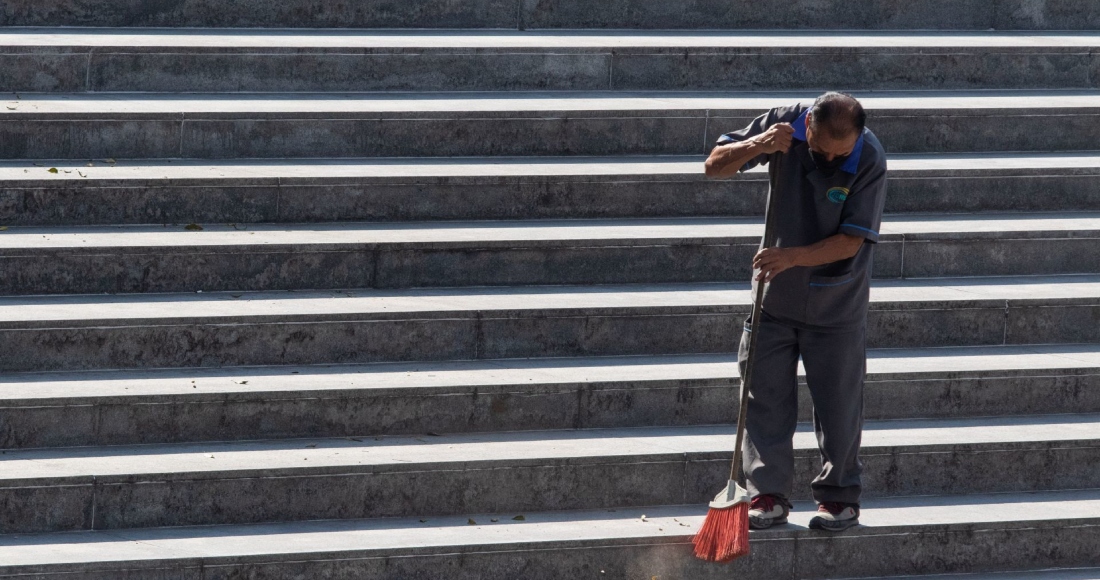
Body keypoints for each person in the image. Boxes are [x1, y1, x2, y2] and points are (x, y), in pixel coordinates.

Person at [704, 92, 887, 532]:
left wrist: (792, 257)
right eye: (820, 148)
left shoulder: (869, 158)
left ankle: (839, 497)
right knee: (764, 398)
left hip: (836, 302)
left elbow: (851, 240)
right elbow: (713, 165)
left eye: (837, 153)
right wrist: (759, 145)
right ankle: (767, 494)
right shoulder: (782, 123)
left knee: (839, 406)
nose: (827, 158)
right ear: (808, 126)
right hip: (775, 299)